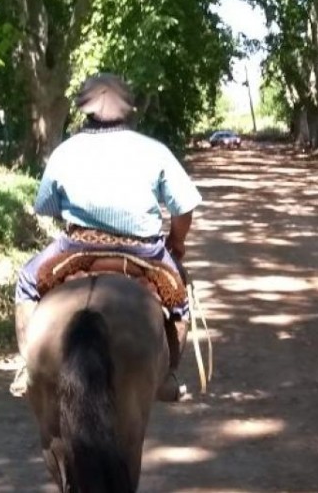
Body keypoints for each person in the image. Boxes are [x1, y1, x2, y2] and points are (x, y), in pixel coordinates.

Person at [11, 73, 202, 402]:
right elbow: (184, 208)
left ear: (84, 110)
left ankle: (29, 368)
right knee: (178, 298)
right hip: (144, 250)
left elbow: (45, 206)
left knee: (27, 281)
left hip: (77, 247)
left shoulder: (65, 151)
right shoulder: (154, 151)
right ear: (128, 110)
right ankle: (167, 376)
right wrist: (177, 242)